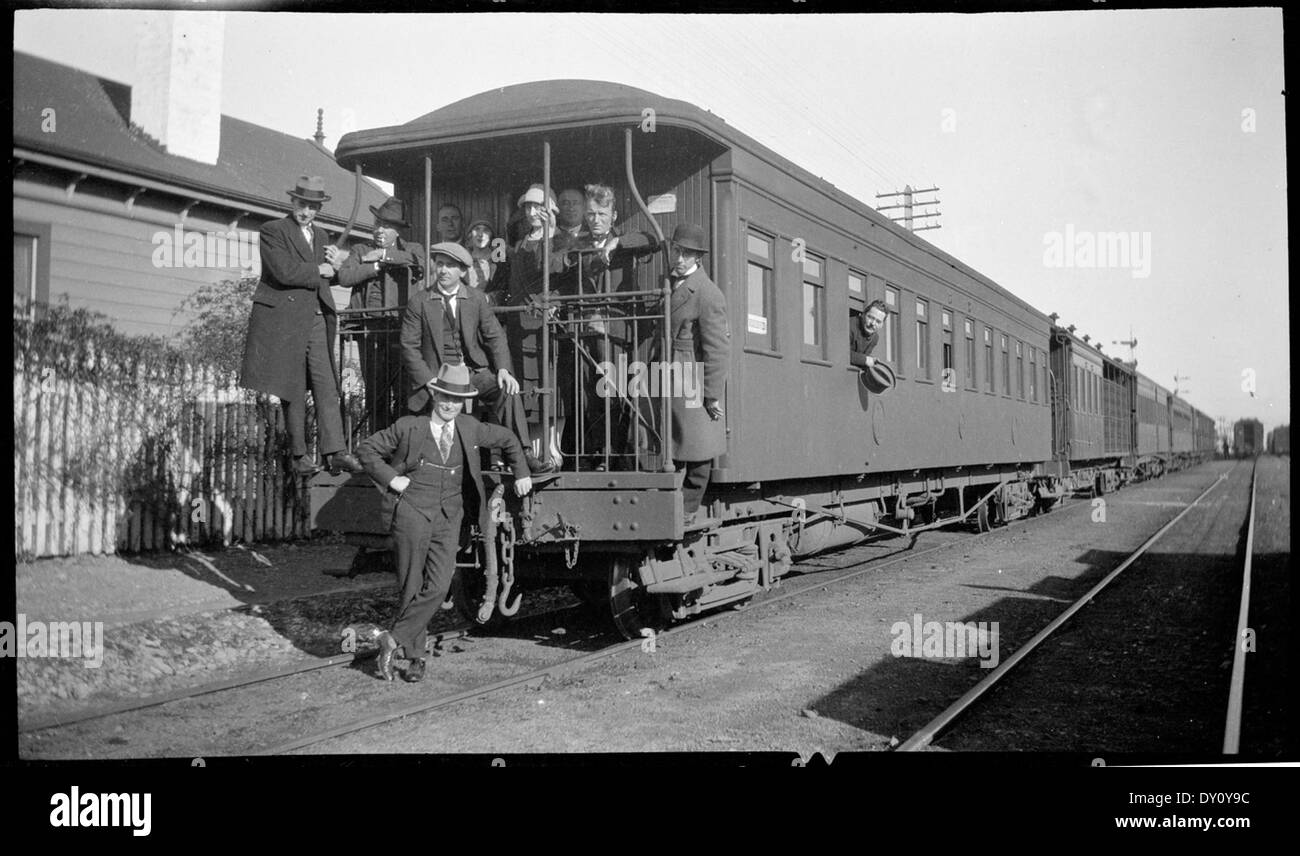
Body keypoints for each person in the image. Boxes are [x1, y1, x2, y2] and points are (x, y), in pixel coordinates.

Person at [358, 362, 533, 682]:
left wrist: (521, 471)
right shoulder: (409, 427)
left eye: (458, 399)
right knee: (411, 586)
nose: (451, 404)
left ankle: (392, 639)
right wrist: (392, 480)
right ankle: (415, 659)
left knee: (438, 586)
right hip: (411, 513)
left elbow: (508, 438)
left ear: (464, 401)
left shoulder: (469, 427)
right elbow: (367, 450)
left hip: (449, 517)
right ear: (435, 396)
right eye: (445, 398)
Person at [240, 175, 362, 477]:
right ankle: (298, 456)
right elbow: (282, 271)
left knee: (327, 386)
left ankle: (335, 452)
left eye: (312, 207)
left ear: (318, 208)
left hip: (317, 318)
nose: (306, 211)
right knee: (291, 386)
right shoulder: (273, 231)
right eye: (301, 204)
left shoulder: (320, 236)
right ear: (292, 202)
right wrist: (318, 269)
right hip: (286, 320)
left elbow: (324, 276)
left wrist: (336, 265)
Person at [401, 241, 553, 474]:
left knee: (507, 391)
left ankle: (524, 455)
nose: (442, 270)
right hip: (439, 377)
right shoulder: (419, 302)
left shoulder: (475, 298)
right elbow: (409, 346)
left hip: (472, 373)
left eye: (450, 266)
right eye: (439, 264)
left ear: (462, 271)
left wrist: (503, 370)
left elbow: (495, 336)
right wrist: (427, 379)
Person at [648, 223, 729, 519]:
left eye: (687, 253)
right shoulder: (669, 285)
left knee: (696, 447)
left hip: (689, 380)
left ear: (698, 257)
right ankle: (669, 506)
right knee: (669, 442)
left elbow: (717, 351)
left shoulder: (708, 294)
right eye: (677, 251)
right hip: (664, 375)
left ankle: (687, 509)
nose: (679, 258)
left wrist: (711, 395)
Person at [503, 184, 570, 464]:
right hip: (520, 325)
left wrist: (549, 235)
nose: (532, 212)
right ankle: (530, 451)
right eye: (528, 207)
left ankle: (551, 451)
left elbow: (556, 272)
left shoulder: (561, 240)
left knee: (549, 386)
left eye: (537, 206)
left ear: (550, 209)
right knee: (527, 389)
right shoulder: (520, 243)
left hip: (547, 325)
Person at [334, 196, 425, 310]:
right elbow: (344, 278)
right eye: (377, 224)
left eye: (386, 226)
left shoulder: (411, 249)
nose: (379, 230)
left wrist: (384, 255)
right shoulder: (360, 249)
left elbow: (422, 263)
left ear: (398, 231)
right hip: (362, 321)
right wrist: (376, 266)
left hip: (398, 320)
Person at [462, 217, 503, 300]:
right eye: (477, 229)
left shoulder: (500, 263)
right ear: (470, 234)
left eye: (486, 230)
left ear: (491, 235)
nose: (480, 234)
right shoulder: (462, 261)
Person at [850, 299, 887, 369]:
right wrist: (865, 359)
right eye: (870, 317)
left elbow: (863, 357)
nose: (873, 323)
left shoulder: (875, 338)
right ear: (863, 314)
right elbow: (840, 352)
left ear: (882, 325)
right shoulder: (850, 325)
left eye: (878, 321)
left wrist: (871, 360)